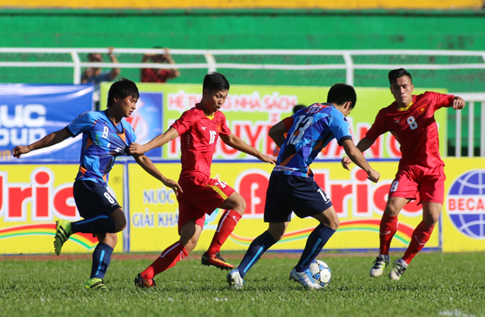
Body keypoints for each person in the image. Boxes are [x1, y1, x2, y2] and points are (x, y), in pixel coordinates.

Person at [12, 78, 181, 290]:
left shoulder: (128, 130)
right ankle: (70, 227)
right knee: (119, 221)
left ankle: (94, 281)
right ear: (116, 99)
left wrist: (164, 179)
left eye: (136, 101)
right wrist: (29, 148)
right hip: (87, 183)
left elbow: (142, 157)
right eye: (131, 100)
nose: (134, 106)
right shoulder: (93, 119)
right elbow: (60, 135)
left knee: (110, 237)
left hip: (97, 186)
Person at [129, 72, 276, 288]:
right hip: (194, 179)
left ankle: (146, 276)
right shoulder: (192, 115)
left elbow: (232, 138)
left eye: (224, 97)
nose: (221, 102)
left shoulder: (218, 118)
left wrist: (259, 154)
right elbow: (169, 134)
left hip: (189, 186)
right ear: (205, 92)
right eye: (218, 96)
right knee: (239, 203)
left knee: (189, 241)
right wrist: (144, 147)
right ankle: (214, 252)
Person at [227, 83, 380, 290]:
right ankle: (301, 269)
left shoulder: (306, 111)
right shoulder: (337, 116)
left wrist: (291, 153)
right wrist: (370, 170)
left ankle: (239, 272)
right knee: (331, 222)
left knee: (276, 230)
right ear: (348, 104)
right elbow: (352, 151)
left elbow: (274, 131)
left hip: (278, 175)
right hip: (297, 176)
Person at [341, 68, 465, 280]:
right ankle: (383, 255)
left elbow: (452, 99)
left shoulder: (428, 99)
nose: (401, 91)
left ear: (411, 87)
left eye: (405, 86)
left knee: (432, 217)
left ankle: (404, 261)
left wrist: (458, 100)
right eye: (397, 87)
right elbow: (370, 137)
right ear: (391, 90)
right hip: (409, 169)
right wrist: (355, 153)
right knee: (391, 208)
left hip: (434, 170)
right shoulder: (386, 115)